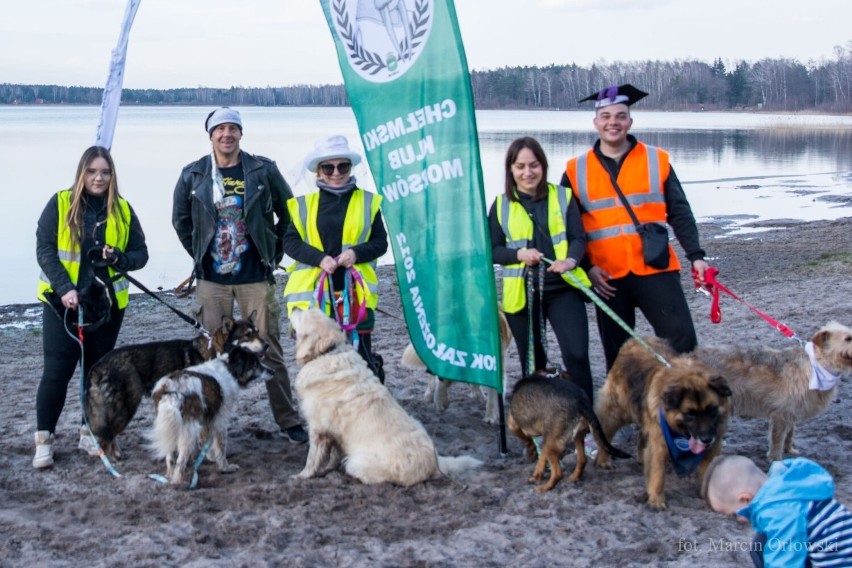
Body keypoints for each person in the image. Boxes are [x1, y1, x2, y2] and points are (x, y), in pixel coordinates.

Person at [172, 107, 307, 443]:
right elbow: (181, 221)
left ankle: (288, 420)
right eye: (220, 129)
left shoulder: (263, 169)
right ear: (211, 135)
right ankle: (207, 423)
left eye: (233, 128)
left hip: (254, 279)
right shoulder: (193, 174)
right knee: (209, 352)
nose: (226, 135)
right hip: (212, 281)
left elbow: (289, 213)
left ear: (241, 134)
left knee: (268, 348)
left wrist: (272, 254)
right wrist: (200, 254)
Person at [561, 84, 709, 370]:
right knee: (619, 357)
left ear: (630, 121)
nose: (612, 122)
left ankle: (676, 406)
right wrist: (587, 266)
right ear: (595, 122)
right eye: (605, 117)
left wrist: (697, 256)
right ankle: (626, 410)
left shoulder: (657, 159)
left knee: (683, 342)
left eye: (619, 116)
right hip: (606, 276)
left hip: (655, 267)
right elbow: (568, 227)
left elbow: (680, 212)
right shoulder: (574, 169)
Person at [34, 145, 149, 468]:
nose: (98, 178)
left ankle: (89, 433)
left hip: (106, 307)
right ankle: (44, 439)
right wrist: (65, 288)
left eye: (105, 172)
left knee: (95, 374)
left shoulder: (122, 210)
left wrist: (118, 258)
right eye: (92, 171)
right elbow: (44, 250)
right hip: (63, 305)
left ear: (112, 175)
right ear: (82, 173)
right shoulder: (59, 203)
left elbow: (140, 255)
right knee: (57, 373)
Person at [489, 136, 594, 401]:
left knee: (577, 354)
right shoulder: (501, 205)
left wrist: (570, 260)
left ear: (543, 166)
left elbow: (578, 238)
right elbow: (492, 250)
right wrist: (519, 254)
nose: (527, 172)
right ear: (511, 170)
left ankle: (586, 420)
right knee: (533, 363)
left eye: (533, 165)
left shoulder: (563, 196)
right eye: (520, 166)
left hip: (563, 288)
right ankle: (539, 422)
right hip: (523, 294)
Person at [282, 135, 388, 380]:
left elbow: (380, 243)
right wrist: (319, 258)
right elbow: (290, 242)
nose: (336, 172)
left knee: (359, 360)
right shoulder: (303, 205)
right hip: (313, 296)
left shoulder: (368, 202)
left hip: (355, 295)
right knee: (319, 363)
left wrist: (355, 253)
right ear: (319, 171)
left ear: (351, 168)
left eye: (343, 166)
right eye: (328, 167)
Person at [703, 455, 852, 567]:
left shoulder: (780, 510)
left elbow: (786, 559)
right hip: (829, 552)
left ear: (745, 499)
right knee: (761, 544)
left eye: (735, 514)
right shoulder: (785, 489)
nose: (739, 519)